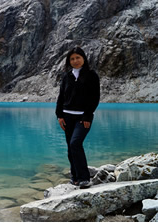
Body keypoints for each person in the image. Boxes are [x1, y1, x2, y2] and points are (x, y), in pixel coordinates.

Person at [55, 47, 100, 189]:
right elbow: (61, 97)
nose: (75, 61)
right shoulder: (66, 76)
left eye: (78, 58)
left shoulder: (91, 75)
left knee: (75, 143)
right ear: (69, 61)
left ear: (84, 58)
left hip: (83, 118)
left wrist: (87, 115)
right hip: (67, 117)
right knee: (70, 147)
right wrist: (59, 115)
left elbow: (95, 97)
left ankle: (84, 178)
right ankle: (74, 176)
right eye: (72, 59)